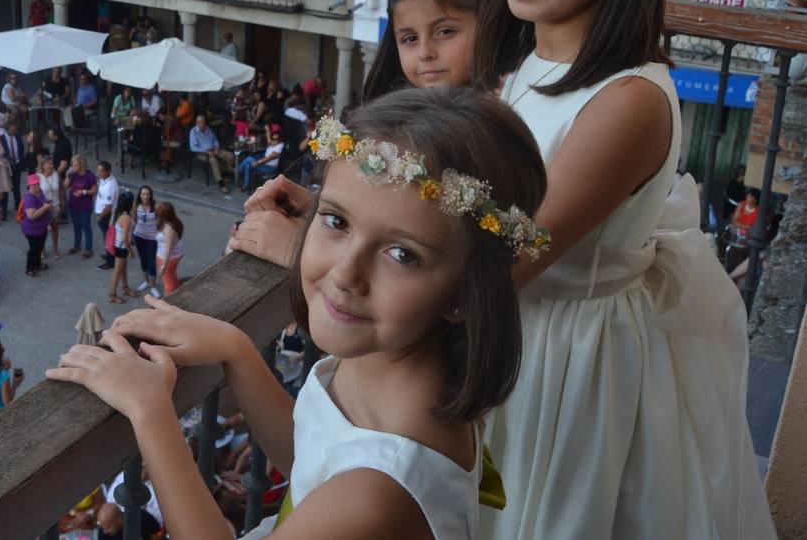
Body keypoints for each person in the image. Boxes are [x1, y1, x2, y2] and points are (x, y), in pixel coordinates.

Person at [50, 88, 547, 539]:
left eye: (403, 254)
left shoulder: (381, 490)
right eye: (335, 220)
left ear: (466, 292)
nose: (345, 273)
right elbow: (309, 456)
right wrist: (237, 349)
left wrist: (149, 410)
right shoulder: (388, 365)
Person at [469, 0, 773, 538]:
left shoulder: (627, 99)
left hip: (563, 359)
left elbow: (512, 250)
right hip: (515, 335)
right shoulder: (523, 68)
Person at [362, 0, 483, 101]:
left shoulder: (504, 114)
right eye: (410, 39)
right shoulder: (387, 120)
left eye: (445, 32)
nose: (425, 53)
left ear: (486, 26)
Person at [189, 116, 234, 194]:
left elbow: (215, 140)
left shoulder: (207, 129)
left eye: (204, 122)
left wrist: (216, 147)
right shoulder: (193, 132)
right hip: (202, 153)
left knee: (231, 156)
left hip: (213, 149)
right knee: (213, 160)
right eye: (201, 123)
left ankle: (224, 173)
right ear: (197, 123)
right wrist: (207, 152)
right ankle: (221, 183)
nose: (203, 124)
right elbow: (193, 148)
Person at [20, 175, 52, 278]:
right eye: (33, 185)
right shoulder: (29, 198)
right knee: (34, 249)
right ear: (29, 186)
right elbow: (31, 216)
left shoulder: (40, 192)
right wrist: (45, 208)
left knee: (39, 247)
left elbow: (44, 203)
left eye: (37, 184)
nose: (36, 186)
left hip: (41, 228)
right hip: (32, 230)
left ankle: (38, 264)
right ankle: (29, 268)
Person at [65, 155, 97, 259]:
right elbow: (65, 186)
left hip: (85, 206)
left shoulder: (90, 175)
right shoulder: (72, 174)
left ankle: (88, 249)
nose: (73, 167)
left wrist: (83, 192)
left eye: (76, 165)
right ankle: (76, 246)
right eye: (72, 165)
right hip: (73, 204)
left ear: (81, 164)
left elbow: (94, 190)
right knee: (76, 227)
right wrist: (67, 176)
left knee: (86, 227)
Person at [234, 126, 284, 192]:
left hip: (269, 167)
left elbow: (269, 158)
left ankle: (237, 170)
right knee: (248, 165)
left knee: (249, 159)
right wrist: (268, 130)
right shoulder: (274, 143)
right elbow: (270, 142)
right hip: (265, 162)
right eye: (273, 138)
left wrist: (258, 162)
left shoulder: (280, 147)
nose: (273, 141)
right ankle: (246, 186)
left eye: (276, 139)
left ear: (280, 139)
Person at [130, 186, 159, 297]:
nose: (145, 196)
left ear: (151, 195)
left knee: (151, 262)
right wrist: (131, 235)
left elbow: (160, 222)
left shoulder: (155, 206)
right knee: (143, 260)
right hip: (139, 236)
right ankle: (146, 281)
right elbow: (134, 221)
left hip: (152, 238)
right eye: (143, 194)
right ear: (140, 195)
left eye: (148, 194)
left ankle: (153, 286)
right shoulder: (136, 205)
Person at [154, 202, 185, 296]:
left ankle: (168, 301)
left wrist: (163, 266)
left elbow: (168, 250)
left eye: (157, 211)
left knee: (168, 282)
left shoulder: (168, 229)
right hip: (175, 256)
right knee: (172, 275)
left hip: (167, 258)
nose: (155, 213)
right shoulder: (175, 221)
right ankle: (177, 293)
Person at [94, 162, 118, 270]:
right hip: (102, 214)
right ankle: (109, 255)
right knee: (106, 237)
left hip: (105, 216)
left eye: (101, 171)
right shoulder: (104, 179)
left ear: (108, 171)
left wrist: (100, 217)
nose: (99, 174)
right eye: (98, 171)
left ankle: (110, 261)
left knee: (108, 238)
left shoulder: (110, 186)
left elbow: (108, 207)